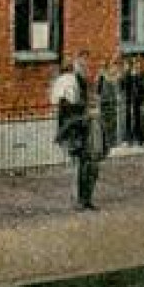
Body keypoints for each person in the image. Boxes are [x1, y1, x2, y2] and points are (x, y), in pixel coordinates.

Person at [58, 59, 105, 209]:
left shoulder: (97, 116)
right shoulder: (73, 91)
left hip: (94, 145)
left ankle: (88, 199)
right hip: (83, 143)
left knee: (93, 171)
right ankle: (80, 200)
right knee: (82, 171)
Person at [122, 56, 144, 146]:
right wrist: (127, 74)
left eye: (137, 63)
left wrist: (143, 95)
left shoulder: (142, 74)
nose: (136, 65)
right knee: (129, 120)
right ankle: (129, 139)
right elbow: (124, 86)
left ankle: (140, 139)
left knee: (140, 120)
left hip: (139, 100)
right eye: (134, 64)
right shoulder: (128, 74)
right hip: (130, 100)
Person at [97, 58, 123, 152]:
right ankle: (108, 142)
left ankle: (110, 142)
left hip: (110, 102)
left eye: (103, 66)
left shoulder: (110, 77)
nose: (102, 68)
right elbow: (98, 91)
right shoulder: (104, 77)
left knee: (111, 123)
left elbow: (99, 91)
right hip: (106, 102)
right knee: (106, 123)